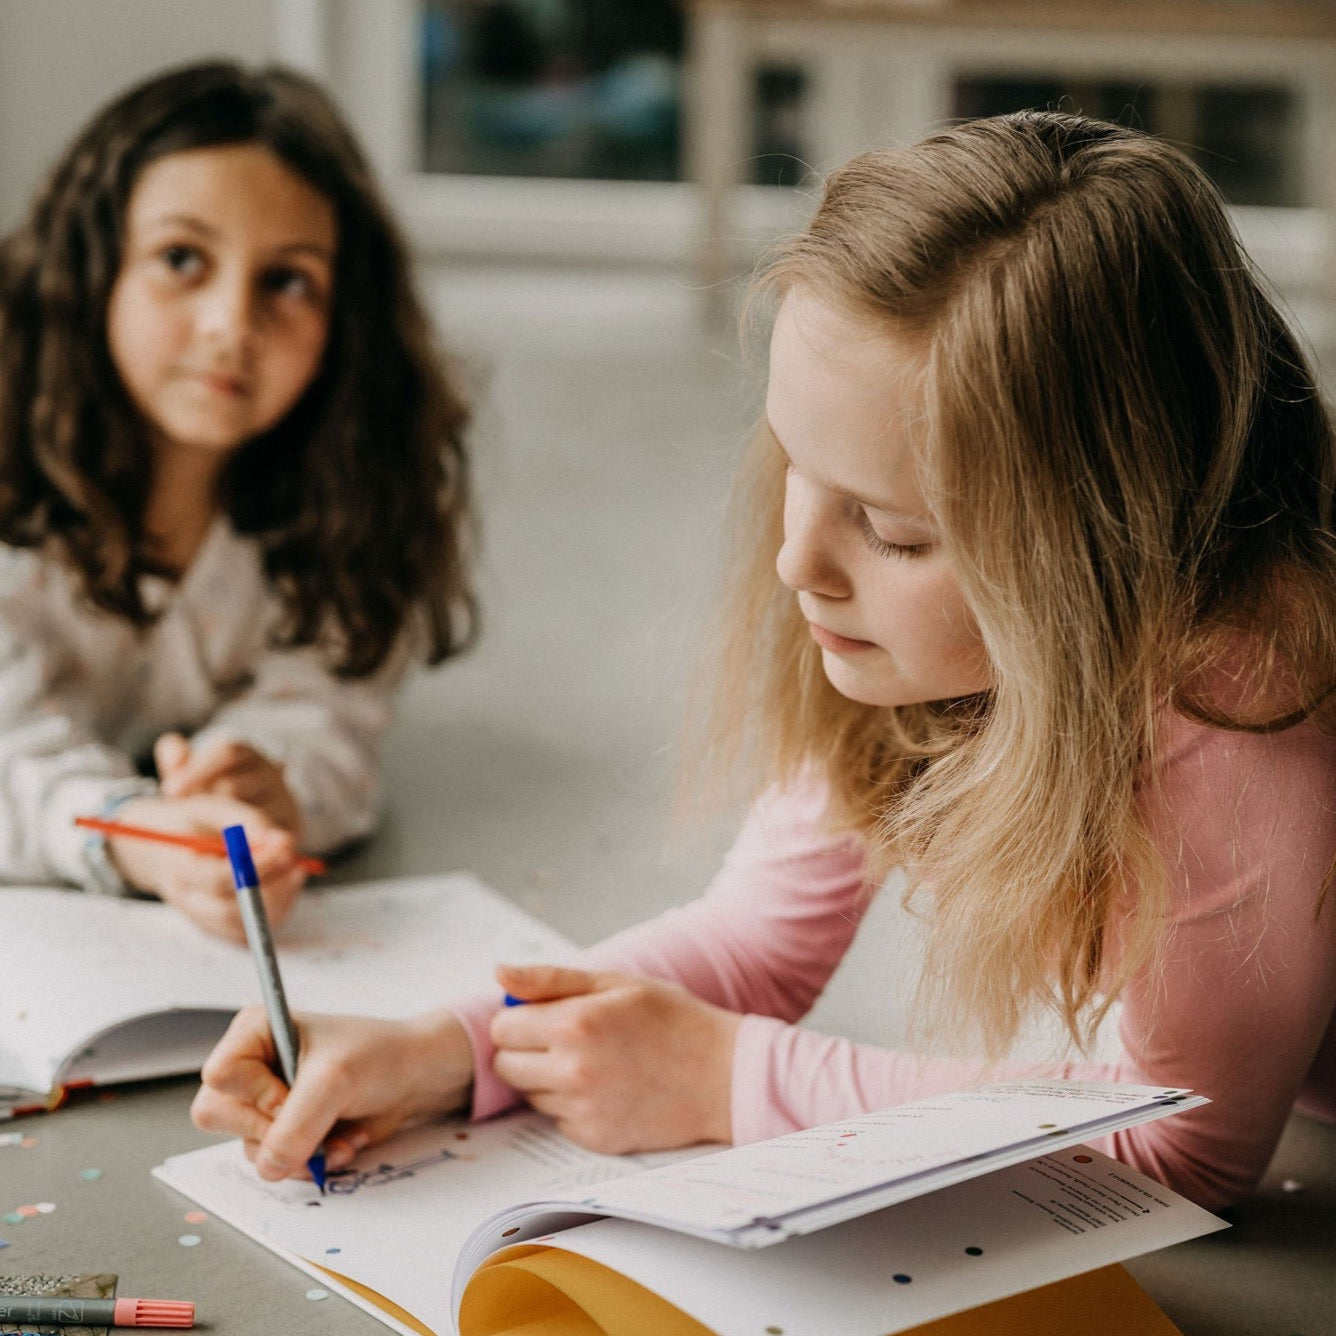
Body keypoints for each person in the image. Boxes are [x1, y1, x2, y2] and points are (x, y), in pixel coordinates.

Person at [191, 112, 1336, 1210]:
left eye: (893, 532)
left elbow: (1181, 1142)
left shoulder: (1244, 709)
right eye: (796, 461)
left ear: (1103, 545)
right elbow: (759, 936)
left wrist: (727, 1081)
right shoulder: (895, 626)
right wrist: (442, 1048)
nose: (797, 560)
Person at [0, 61, 476, 940]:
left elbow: (332, 710)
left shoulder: (349, 502)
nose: (231, 324)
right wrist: (134, 836)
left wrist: (269, 782)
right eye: (182, 260)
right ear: (90, 268)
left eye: (286, 281)